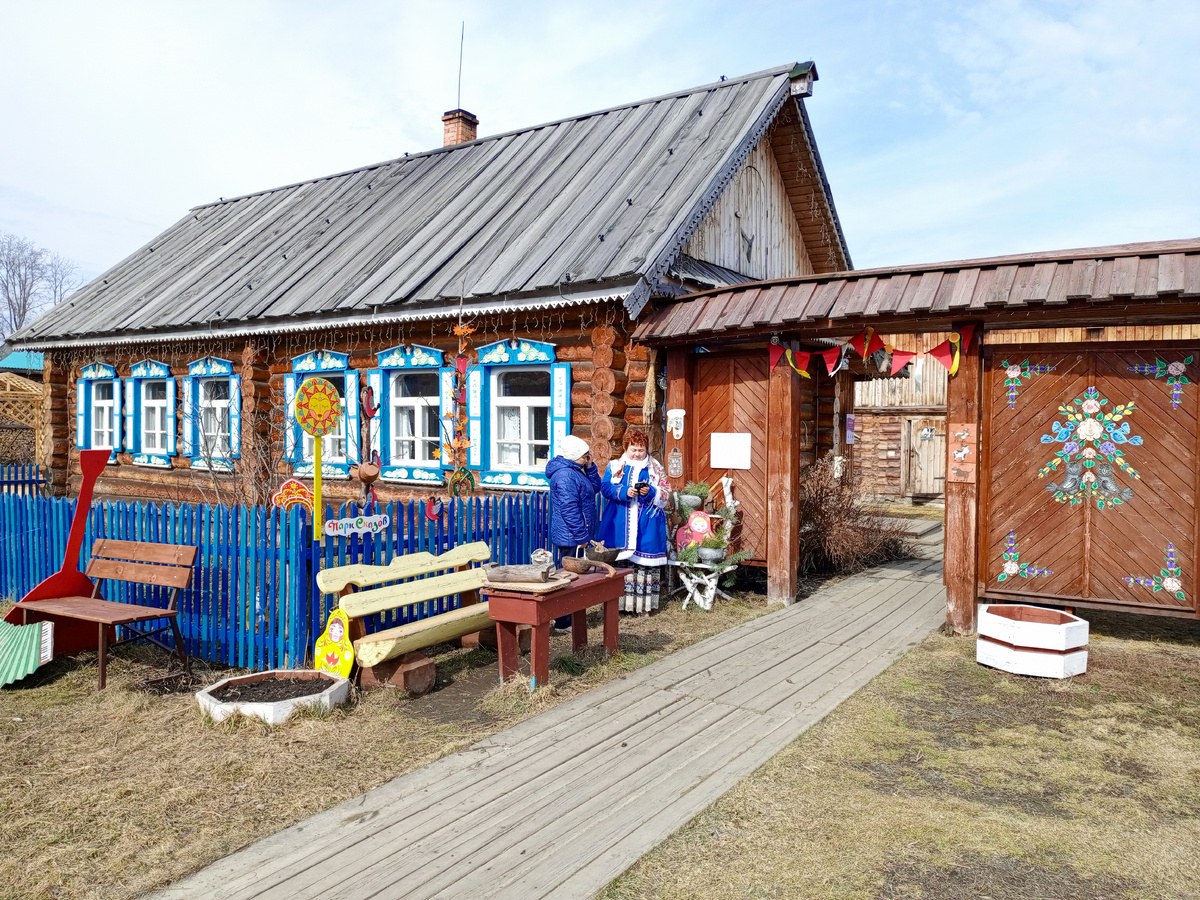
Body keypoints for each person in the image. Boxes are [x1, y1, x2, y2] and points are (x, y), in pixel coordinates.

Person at [599, 430, 670, 614]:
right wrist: (624, 492)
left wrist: (650, 492)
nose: (637, 453)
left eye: (641, 449)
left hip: (646, 523)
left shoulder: (655, 468)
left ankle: (642, 607)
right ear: (626, 448)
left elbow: (666, 492)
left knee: (643, 564)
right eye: (633, 449)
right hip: (619, 520)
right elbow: (606, 488)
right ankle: (617, 606)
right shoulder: (615, 465)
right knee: (620, 561)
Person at [545, 434, 602, 629]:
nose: (588, 457)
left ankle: (572, 618)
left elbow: (594, 488)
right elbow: (569, 509)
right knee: (568, 579)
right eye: (586, 455)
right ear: (576, 455)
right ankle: (563, 622)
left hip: (575, 534)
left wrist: (591, 467)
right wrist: (581, 536)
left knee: (576, 578)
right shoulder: (565, 475)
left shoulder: (576, 470)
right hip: (570, 536)